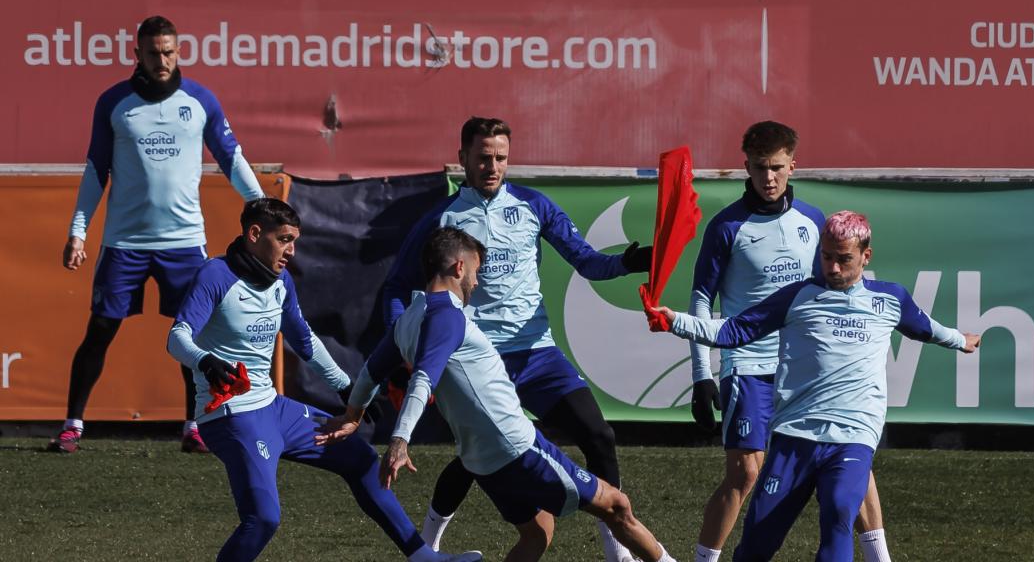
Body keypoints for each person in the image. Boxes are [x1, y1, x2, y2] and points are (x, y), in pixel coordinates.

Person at [378, 117, 651, 561]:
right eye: (483, 157)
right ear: (462, 157)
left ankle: (616, 549)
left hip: (538, 353)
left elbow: (587, 262)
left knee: (599, 435)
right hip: (476, 360)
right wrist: (403, 349)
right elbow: (395, 288)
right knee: (473, 459)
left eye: (501, 157)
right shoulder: (440, 219)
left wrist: (628, 263)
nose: (492, 166)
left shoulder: (533, 205)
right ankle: (428, 544)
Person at [321, 226, 675, 562]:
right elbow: (423, 380)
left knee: (538, 532)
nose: (477, 280)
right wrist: (399, 440)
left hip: (481, 460)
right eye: (476, 271)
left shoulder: (408, 319)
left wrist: (353, 415)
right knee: (617, 505)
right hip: (516, 446)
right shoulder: (446, 315)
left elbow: (369, 373)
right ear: (459, 267)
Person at [655, 211, 981, 562]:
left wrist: (961, 339)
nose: (834, 268)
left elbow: (926, 328)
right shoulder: (796, 296)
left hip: (853, 435)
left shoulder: (890, 299)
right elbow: (733, 331)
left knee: (840, 508)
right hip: (796, 435)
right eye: (827, 257)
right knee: (758, 541)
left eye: (844, 259)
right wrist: (674, 321)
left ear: (866, 256)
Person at [166, 199, 480, 562]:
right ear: (254, 234)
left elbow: (305, 341)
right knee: (263, 518)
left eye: (295, 240)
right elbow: (178, 337)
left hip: (273, 408)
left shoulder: (280, 280)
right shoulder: (215, 275)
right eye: (284, 239)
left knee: (361, 459)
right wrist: (205, 361)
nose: (292, 251)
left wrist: (346, 388)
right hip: (232, 416)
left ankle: (421, 556)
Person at [53, 15, 264, 454]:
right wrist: (78, 231)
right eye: (153, 53)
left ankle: (195, 426)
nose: (162, 60)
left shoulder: (201, 101)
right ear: (138, 54)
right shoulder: (114, 102)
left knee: (194, 337)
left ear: (179, 51)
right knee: (100, 330)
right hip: (124, 245)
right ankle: (73, 425)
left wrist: (263, 206)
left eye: (168, 51)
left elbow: (231, 157)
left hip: (184, 244)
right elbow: (96, 170)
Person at [687, 122, 892, 562]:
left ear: (793, 166)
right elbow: (701, 298)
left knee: (853, 458)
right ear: (746, 166)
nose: (769, 178)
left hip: (804, 367)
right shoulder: (727, 227)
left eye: (777, 167)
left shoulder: (815, 222)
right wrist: (701, 374)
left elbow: (836, 290)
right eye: (760, 168)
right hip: (747, 363)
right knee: (745, 473)